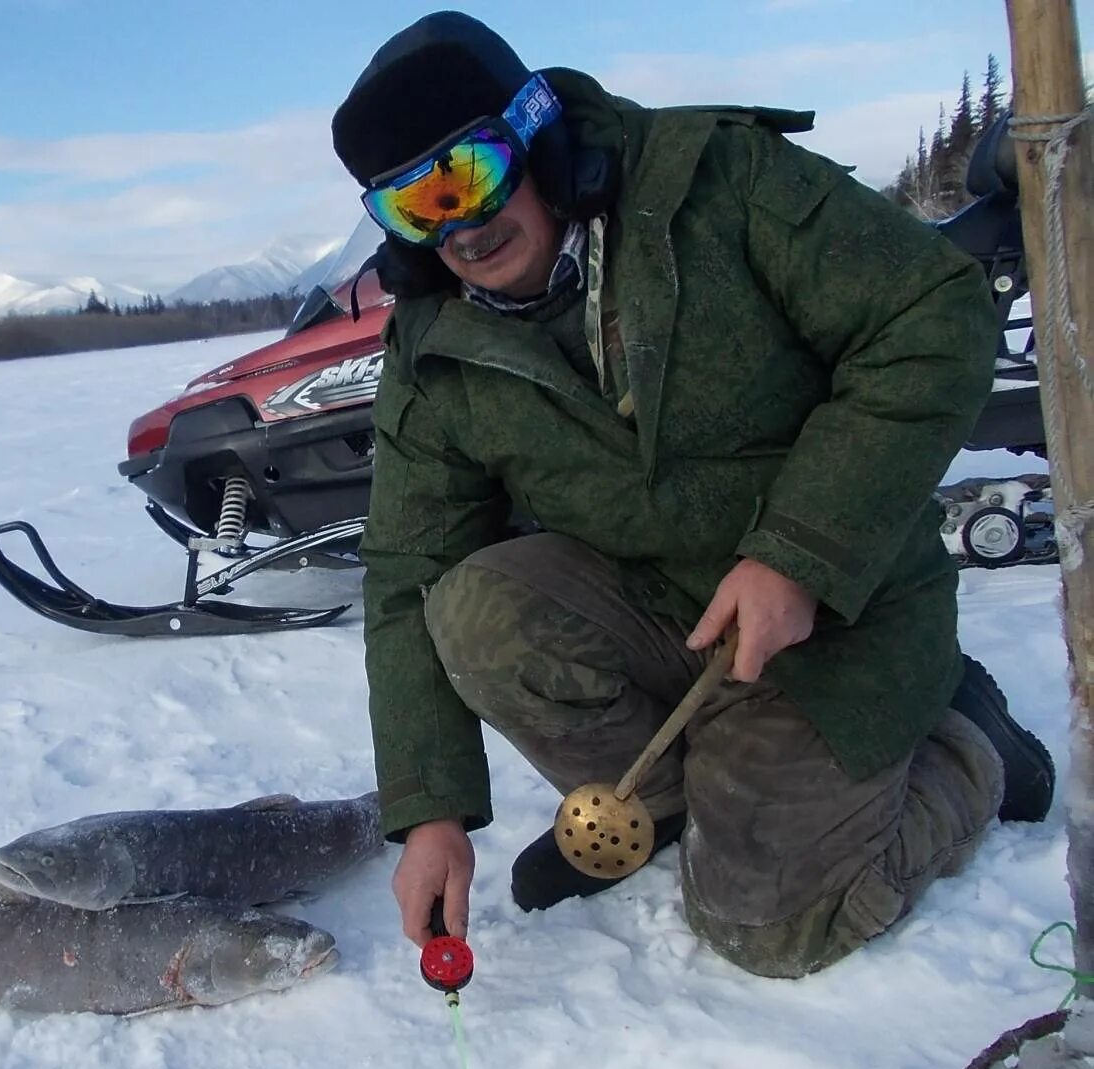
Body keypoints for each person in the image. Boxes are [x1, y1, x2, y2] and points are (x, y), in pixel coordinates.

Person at [330, 10, 1054, 978]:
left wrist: (801, 552)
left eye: (470, 174)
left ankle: (969, 745)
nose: (457, 226)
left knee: (764, 924)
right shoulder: (434, 352)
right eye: (415, 209)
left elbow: (933, 314)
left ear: (538, 134)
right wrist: (431, 813)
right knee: (467, 612)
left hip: (851, 600)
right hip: (672, 611)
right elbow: (405, 575)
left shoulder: (715, 183)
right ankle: (666, 804)